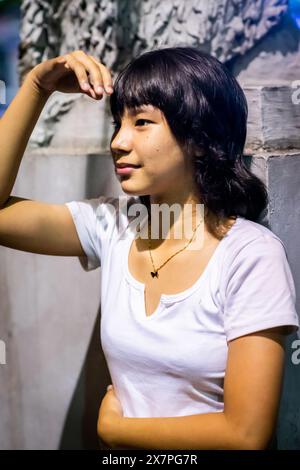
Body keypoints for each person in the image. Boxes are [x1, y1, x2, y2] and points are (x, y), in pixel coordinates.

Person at [0, 46, 299, 451]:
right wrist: (37, 85)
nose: (119, 142)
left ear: (198, 139)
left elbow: (246, 433)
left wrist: (116, 431)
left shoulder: (250, 255)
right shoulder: (113, 226)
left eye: (142, 122)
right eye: (117, 124)